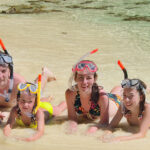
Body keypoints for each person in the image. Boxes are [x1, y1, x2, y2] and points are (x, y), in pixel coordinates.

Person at [65, 60, 122, 134]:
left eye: (88, 78)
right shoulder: (70, 94)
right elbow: (72, 118)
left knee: (119, 90)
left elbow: (104, 123)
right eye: (80, 77)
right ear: (75, 78)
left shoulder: (102, 97)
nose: (84, 82)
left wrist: (92, 128)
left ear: (94, 79)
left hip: (114, 101)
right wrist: (72, 126)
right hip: (100, 95)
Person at [0, 50, 56, 121]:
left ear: (10, 71)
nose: (0, 76)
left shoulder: (18, 82)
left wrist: (10, 114)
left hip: (17, 103)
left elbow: (33, 105)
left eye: (3, 71)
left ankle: (45, 74)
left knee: (37, 90)